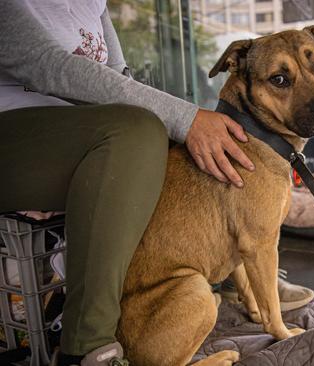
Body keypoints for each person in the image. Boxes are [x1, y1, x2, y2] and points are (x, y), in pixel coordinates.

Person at [0, 1, 257, 365]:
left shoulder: (92, 4)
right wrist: (185, 118)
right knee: (139, 131)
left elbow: (121, 81)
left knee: (181, 143)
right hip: (13, 136)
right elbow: (46, 66)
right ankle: (86, 348)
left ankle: (241, 277)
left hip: (80, 139)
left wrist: (187, 129)